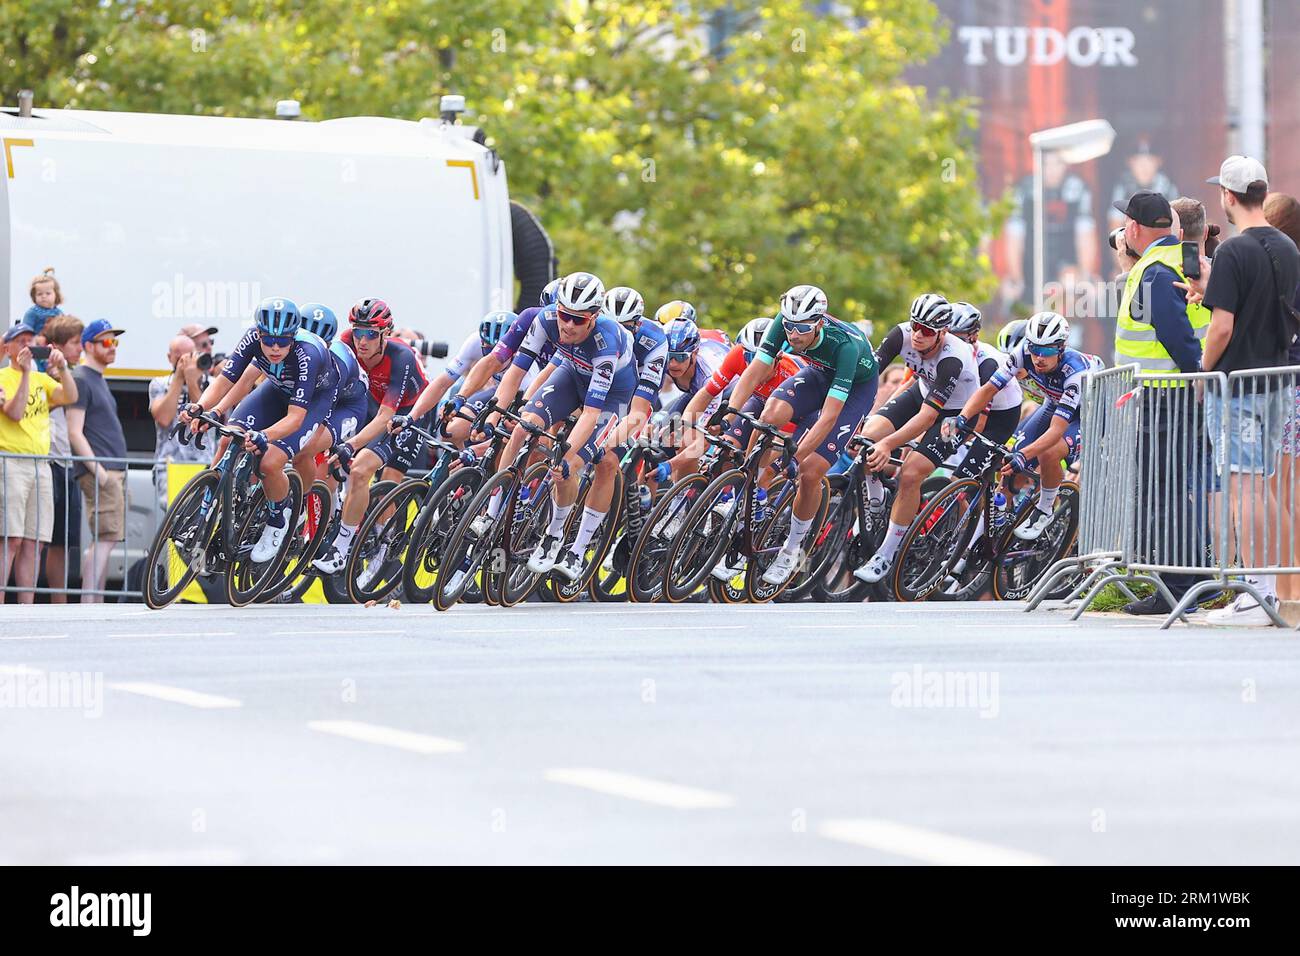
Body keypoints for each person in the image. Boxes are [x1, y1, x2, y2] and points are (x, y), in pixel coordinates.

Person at [1182, 157, 1300, 625]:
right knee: (1267, 488)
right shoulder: (1289, 248)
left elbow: (1221, 329)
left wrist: (1203, 371)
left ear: (1228, 197)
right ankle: (1279, 589)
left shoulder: (1232, 251)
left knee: (1242, 487)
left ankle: (1258, 594)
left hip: (1238, 387)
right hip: (1276, 384)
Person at [484, 272, 637, 581]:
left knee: (568, 466)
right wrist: (496, 412)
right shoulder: (545, 319)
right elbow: (515, 372)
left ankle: (560, 540)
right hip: (571, 375)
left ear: (594, 317)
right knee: (521, 427)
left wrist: (568, 456)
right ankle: (492, 509)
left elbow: (591, 413)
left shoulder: (606, 342)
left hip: (611, 398)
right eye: (564, 315)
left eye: (578, 320)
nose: (567, 325)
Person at [722, 284, 879, 586]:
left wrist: (794, 457)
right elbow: (755, 370)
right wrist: (729, 410)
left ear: (819, 322)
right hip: (819, 373)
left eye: (802, 329)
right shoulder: (785, 321)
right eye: (789, 326)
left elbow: (830, 416)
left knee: (808, 472)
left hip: (855, 390)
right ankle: (749, 487)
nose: (793, 335)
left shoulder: (844, 345)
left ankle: (792, 549)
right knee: (769, 415)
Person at [183, 298, 358, 566]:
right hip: (279, 389)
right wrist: (206, 409)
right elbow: (229, 380)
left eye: (283, 342)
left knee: (271, 460)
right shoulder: (253, 337)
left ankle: (280, 517)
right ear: (259, 333)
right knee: (231, 434)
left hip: (316, 399)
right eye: (268, 341)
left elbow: (295, 418)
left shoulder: (307, 354)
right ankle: (212, 505)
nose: (275, 348)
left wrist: (265, 436)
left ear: (294, 337)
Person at [1110, 190, 1212, 614]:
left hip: (1165, 398)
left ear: (1133, 228)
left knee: (1163, 494)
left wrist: (1197, 375)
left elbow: (1176, 336)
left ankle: (1182, 583)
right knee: (1169, 491)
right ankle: (1186, 581)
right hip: (1174, 396)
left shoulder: (1152, 270)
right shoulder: (1177, 259)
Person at [853, 294, 984, 584]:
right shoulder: (900, 335)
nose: (918, 336)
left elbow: (927, 419)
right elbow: (868, 376)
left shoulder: (954, 356)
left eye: (927, 331)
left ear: (943, 333)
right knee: (862, 441)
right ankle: (876, 500)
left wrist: (888, 444)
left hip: (955, 414)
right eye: (916, 326)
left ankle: (885, 556)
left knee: (911, 473)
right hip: (921, 394)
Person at [311, 299, 427, 574]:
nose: (362, 341)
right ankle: (332, 516)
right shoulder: (346, 341)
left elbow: (387, 417)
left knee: (367, 471)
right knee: (329, 459)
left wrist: (351, 444)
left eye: (371, 335)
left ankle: (371, 547)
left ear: (386, 334)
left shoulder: (402, 358)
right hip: (369, 403)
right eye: (358, 332)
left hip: (406, 413)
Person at [0, 321, 78, 603]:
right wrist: (23, 376)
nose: (27, 346)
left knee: (35, 541)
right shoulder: (4, 377)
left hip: (40, 463)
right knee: (11, 539)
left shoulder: (42, 379)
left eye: (30, 341)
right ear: (7, 348)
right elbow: (16, 413)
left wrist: (63, 368)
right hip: (11, 463)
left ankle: (26, 606)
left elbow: (70, 396)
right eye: (20, 341)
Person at [66, 319, 128, 603]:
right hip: (101, 470)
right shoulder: (81, 378)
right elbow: (74, 431)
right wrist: (99, 471)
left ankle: (95, 601)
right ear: (88, 346)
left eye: (114, 341)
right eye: (106, 342)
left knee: (107, 537)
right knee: (105, 537)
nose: (112, 346)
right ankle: (89, 603)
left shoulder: (96, 379)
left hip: (110, 469)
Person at [1264, 192, 1300, 602]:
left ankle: (1286, 591)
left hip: (1285, 385)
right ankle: (1291, 588)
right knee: (1290, 492)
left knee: (1278, 492)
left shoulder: (1283, 270)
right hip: (1291, 383)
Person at [1004, 150, 1098, 308]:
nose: (1052, 170)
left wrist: (1085, 276)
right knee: (1012, 292)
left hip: (1066, 261)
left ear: (1066, 165)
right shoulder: (1024, 189)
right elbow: (1014, 237)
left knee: (1077, 286)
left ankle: (1069, 329)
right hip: (1031, 260)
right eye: (1046, 164)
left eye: (1057, 163)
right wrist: (1016, 278)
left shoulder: (1078, 188)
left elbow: (1085, 235)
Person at [38, 315, 86, 601]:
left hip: (66, 462)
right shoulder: (42, 376)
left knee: (62, 540)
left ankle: (60, 601)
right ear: (56, 346)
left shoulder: (70, 374)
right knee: (40, 537)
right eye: (74, 343)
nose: (80, 348)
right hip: (47, 460)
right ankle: (29, 598)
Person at [148, 335, 213, 507]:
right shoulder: (159, 384)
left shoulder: (211, 384)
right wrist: (178, 378)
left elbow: (205, 421)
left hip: (203, 465)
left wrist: (192, 381)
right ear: (169, 357)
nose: (185, 362)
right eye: (179, 356)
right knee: (173, 522)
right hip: (170, 466)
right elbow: (163, 418)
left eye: (189, 356)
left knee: (201, 523)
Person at [1108, 140, 1180, 231]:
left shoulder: (1167, 187)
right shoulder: (1123, 185)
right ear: (1130, 163)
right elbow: (1115, 223)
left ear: (1158, 162)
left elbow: (1175, 224)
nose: (1144, 167)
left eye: (1149, 160)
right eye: (1138, 161)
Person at [23, 268, 64, 337]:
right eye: (39, 294)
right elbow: (25, 332)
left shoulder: (59, 313)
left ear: (56, 295)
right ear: (34, 296)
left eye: (48, 293)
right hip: (37, 345)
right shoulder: (32, 312)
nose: (43, 296)